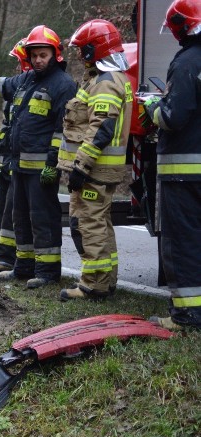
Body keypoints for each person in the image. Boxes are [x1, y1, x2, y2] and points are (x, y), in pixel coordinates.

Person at [0, 25, 77, 289]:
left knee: (42, 218)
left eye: (43, 54)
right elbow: (0, 85)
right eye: (34, 55)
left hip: (41, 169)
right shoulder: (26, 80)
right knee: (20, 217)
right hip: (19, 166)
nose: (37, 59)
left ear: (55, 54)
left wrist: (53, 163)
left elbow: (64, 128)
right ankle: (23, 266)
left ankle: (47, 271)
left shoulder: (64, 85)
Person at [57, 19, 133, 301]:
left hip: (95, 170)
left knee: (89, 223)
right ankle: (106, 281)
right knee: (100, 222)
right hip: (101, 170)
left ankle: (93, 284)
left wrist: (80, 166)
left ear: (94, 49)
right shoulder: (106, 78)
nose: (79, 55)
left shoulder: (104, 83)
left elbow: (101, 128)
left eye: (82, 49)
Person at [143, 0, 201, 331]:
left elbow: (172, 117)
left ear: (181, 26)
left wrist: (153, 107)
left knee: (182, 242)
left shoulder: (186, 62)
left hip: (184, 173)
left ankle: (187, 316)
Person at [0, 38, 32, 272]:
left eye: (18, 61)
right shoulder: (19, 89)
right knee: (2, 208)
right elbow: (7, 126)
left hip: (23, 162)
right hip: (8, 159)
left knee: (12, 212)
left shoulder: (31, 90)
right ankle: (3, 252)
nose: (16, 66)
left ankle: (9, 256)